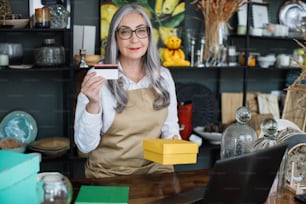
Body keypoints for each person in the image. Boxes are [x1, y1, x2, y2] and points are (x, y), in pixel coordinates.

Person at [74, 3, 181, 178]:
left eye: (141, 30)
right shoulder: (99, 75)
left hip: (156, 172)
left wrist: (174, 142)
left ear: (148, 35)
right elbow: (85, 146)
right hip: (108, 176)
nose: (134, 39)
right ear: (115, 37)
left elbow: (170, 128)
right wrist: (93, 104)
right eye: (125, 32)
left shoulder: (162, 76)